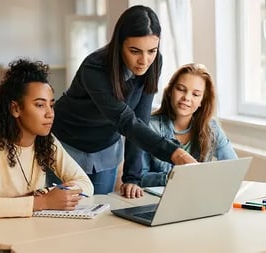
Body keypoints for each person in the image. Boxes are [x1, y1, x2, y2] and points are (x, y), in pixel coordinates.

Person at [50, 5, 196, 198]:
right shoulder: (94, 68)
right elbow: (126, 121)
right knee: (62, 218)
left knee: (99, 216)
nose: (144, 60)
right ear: (119, 45)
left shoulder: (154, 62)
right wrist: (176, 153)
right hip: (66, 145)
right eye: (135, 51)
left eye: (151, 50)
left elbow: (140, 120)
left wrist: (132, 178)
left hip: (105, 148)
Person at [0, 59, 94, 253]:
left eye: (51, 105)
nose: (50, 114)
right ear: (16, 109)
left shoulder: (46, 141)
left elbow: (85, 184)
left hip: (27, 236)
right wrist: (42, 202)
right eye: (39, 105)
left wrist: (50, 195)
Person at [140, 63, 238, 187]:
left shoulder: (211, 127)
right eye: (180, 89)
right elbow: (139, 177)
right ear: (170, 91)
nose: (186, 97)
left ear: (202, 101)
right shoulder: (148, 127)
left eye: (195, 94)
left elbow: (233, 167)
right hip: (160, 200)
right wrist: (172, 177)